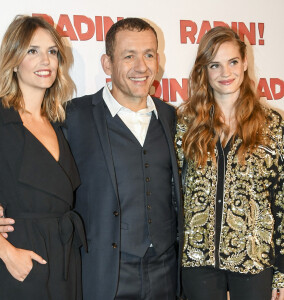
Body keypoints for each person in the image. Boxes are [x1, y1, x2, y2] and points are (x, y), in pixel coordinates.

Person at [64, 18, 182, 299]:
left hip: (166, 272)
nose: (142, 67)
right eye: (129, 56)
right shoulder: (74, 117)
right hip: (105, 274)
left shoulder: (172, 118)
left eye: (149, 54)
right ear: (107, 64)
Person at [175, 26, 284, 300]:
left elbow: (281, 198)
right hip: (197, 260)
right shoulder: (184, 124)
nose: (226, 73)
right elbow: (172, 195)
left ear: (245, 63)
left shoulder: (273, 125)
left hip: (254, 259)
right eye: (215, 65)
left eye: (233, 62)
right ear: (204, 70)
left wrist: (282, 270)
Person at [0, 15, 85, 300]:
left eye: (52, 51)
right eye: (33, 51)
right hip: (18, 262)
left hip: (65, 261)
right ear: (14, 60)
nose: (46, 60)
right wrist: (7, 253)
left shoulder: (56, 122)